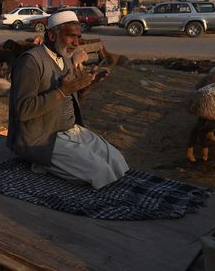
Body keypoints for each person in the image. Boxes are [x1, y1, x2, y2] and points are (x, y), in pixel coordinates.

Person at [7, 11, 129, 189]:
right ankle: (40, 161)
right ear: (52, 35)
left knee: (117, 162)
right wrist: (63, 90)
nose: (76, 43)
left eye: (78, 37)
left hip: (70, 131)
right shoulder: (31, 62)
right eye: (71, 36)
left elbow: (69, 98)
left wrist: (88, 85)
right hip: (42, 138)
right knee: (100, 172)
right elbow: (23, 110)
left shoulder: (65, 58)